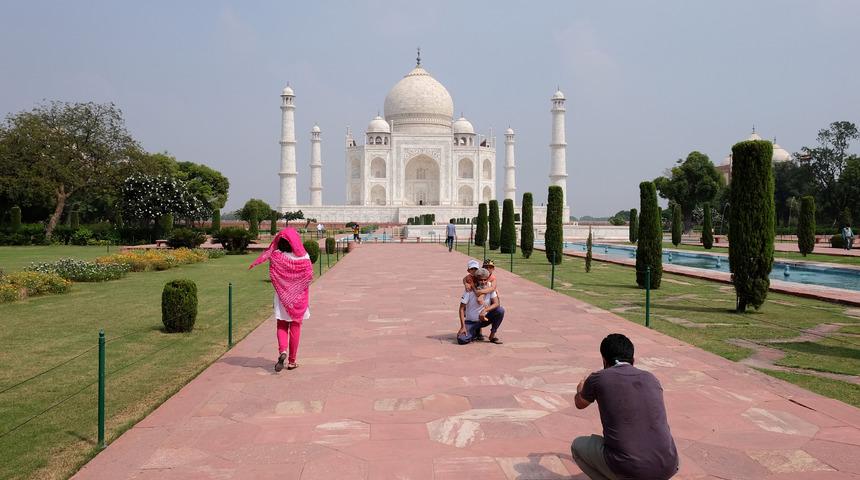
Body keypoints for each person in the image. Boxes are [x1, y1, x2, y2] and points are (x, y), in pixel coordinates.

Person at [572, 334, 678, 480]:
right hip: (669, 465)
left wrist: (580, 388)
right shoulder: (651, 378)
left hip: (630, 467)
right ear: (633, 360)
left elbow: (580, 403)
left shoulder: (598, 378)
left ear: (604, 360)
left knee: (577, 446)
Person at [249, 228, 314, 372]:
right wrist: (296, 287)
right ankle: (292, 361)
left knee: (282, 325)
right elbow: (309, 276)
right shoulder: (304, 257)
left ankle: (282, 351)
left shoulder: (276, 256)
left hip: (282, 297)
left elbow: (273, 274)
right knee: (295, 327)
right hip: (299, 297)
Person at [457, 267, 504, 344]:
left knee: (500, 310)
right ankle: (474, 332)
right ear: (476, 279)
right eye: (480, 280)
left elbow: (496, 303)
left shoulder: (489, 287)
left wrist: (485, 310)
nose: (483, 282)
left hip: (484, 319)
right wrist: (463, 327)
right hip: (471, 321)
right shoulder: (469, 289)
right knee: (462, 340)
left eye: (485, 279)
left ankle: (492, 335)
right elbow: (461, 309)